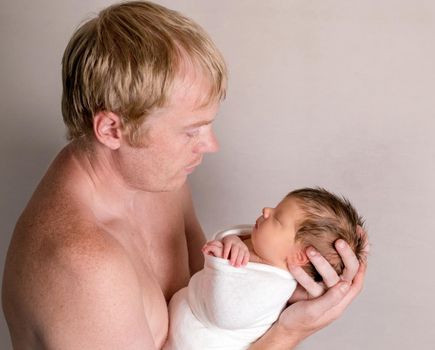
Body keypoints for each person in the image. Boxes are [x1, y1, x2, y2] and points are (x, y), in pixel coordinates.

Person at [1, 2, 368, 349]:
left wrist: (281, 295)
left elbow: (209, 309)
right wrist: (288, 334)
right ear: (113, 130)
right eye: (191, 131)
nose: (211, 145)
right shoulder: (83, 266)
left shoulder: (159, 179)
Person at [165, 187, 367, 349]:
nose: (266, 210)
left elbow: (226, 314)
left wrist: (221, 263)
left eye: (277, 219)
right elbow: (232, 240)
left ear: (299, 256)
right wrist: (232, 242)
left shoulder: (271, 287)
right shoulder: (262, 254)